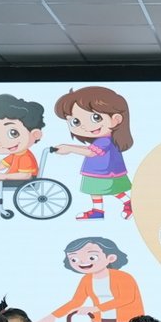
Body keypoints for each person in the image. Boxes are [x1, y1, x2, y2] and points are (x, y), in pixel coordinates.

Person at [53, 85, 134, 220]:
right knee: (99, 191)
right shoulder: (101, 140)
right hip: (98, 170)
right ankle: (100, 211)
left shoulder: (105, 141)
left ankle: (126, 204)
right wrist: (68, 148)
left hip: (105, 171)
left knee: (111, 190)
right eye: (75, 121)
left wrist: (70, 149)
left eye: (96, 117)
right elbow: (90, 151)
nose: (84, 126)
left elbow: (92, 153)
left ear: (116, 119)